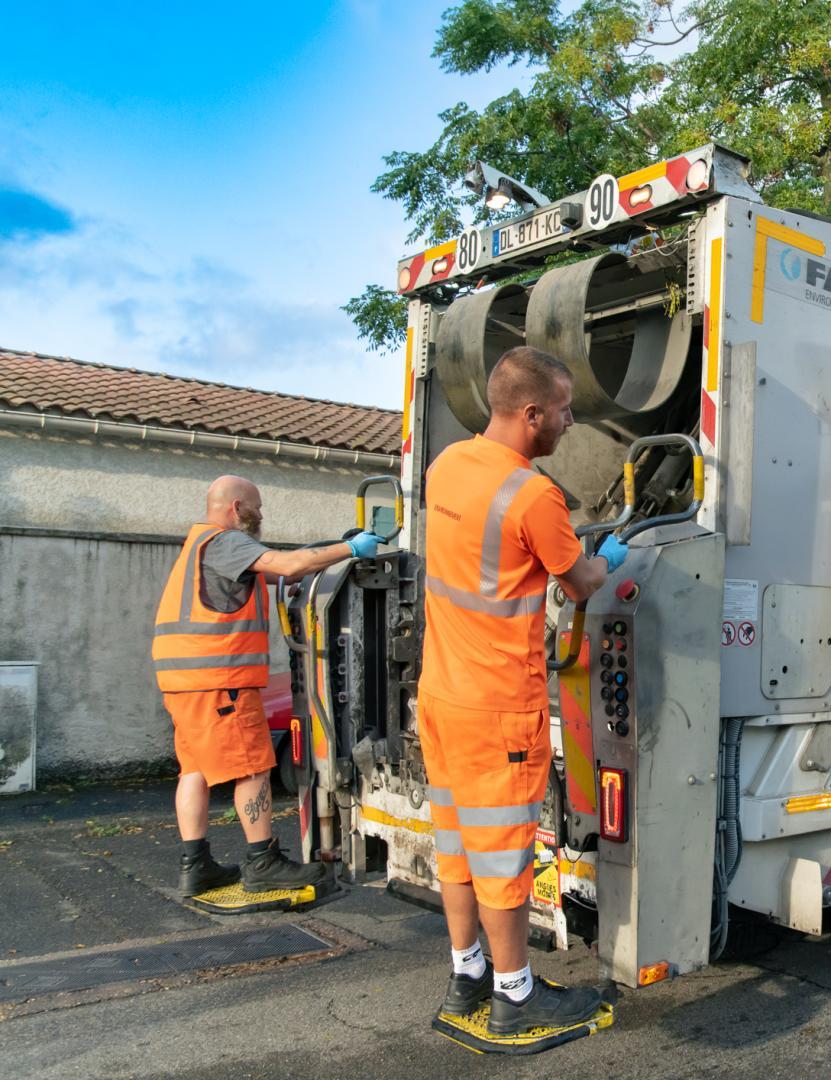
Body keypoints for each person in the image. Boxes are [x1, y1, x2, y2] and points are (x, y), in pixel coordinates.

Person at [418, 346, 626, 1034]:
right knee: (503, 851)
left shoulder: (446, 465)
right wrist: (608, 559)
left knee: (457, 846)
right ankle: (516, 995)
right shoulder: (535, 496)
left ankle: (468, 977)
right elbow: (581, 583)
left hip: (443, 696)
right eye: (564, 409)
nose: (570, 422)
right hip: (498, 707)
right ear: (532, 412)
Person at [152, 475, 385, 896]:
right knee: (254, 766)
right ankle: (262, 861)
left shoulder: (200, 548)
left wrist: (329, 550)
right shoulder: (226, 542)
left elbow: (286, 571)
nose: (262, 515)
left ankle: (195, 865)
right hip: (221, 682)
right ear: (237, 507)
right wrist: (351, 549)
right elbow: (287, 564)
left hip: (185, 683)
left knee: (195, 771)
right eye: (257, 507)